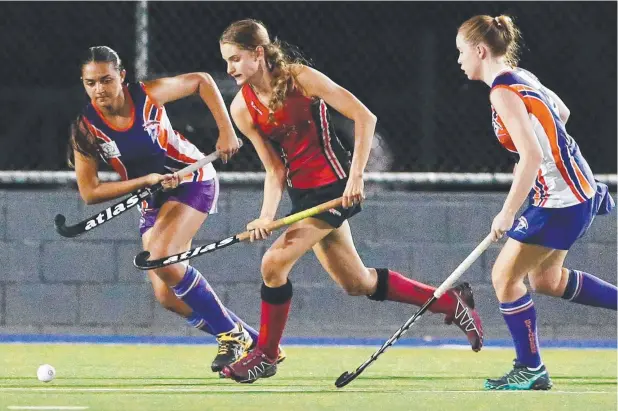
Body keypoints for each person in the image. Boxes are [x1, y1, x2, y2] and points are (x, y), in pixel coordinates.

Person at [217, 19, 484, 384]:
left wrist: (356, 175)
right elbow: (275, 169)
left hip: (335, 187)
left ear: (258, 54)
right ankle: (450, 302)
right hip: (303, 196)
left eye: (235, 59)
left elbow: (364, 116)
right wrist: (265, 216)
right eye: (227, 61)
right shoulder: (242, 109)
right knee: (357, 282)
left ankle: (265, 353)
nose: (229, 68)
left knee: (274, 263)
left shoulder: (301, 78)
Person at [69, 45, 285, 373]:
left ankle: (230, 336)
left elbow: (201, 80)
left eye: (106, 80)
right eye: (91, 82)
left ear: (121, 77)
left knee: (161, 257)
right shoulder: (85, 130)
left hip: (193, 177)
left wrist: (226, 131)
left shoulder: (148, 95)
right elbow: (91, 192)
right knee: (167, 295)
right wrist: (146, 181)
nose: (99, 88)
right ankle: (259, 345)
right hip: (153, 196)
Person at [456, 15, 617, 391]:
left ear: (480, 50)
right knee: (546, 279)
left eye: (461, 52)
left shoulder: (501, 91)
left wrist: (507, 212)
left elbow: (529, 156)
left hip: (560, 200)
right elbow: (561, 113)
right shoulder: (521, 75)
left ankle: (530, 369)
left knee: (504, 278)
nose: (460, 60)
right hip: (579, 190)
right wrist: (545, 159)